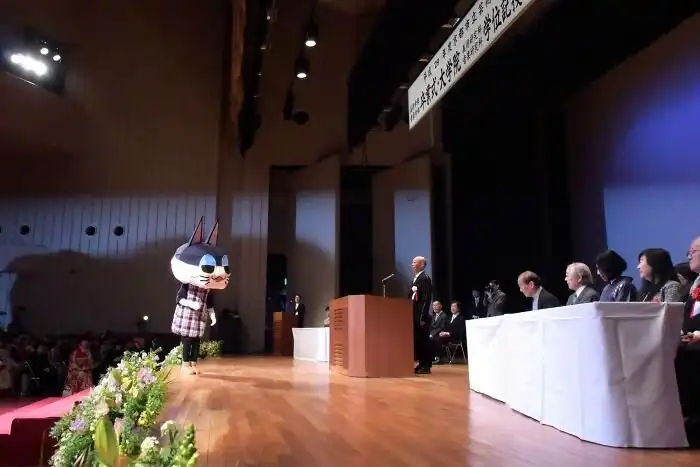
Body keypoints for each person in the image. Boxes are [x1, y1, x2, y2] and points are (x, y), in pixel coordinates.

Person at [410, 256, 433, 375]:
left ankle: (426, 365)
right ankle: (421, 363)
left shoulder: (425, 278)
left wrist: (422, 316)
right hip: (414, 313)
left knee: (424, 340)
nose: (412, 264)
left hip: (421, 315)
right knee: (418, 339)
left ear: (422, 265)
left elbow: (426, 298)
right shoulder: (416, 278)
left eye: (415, 262)